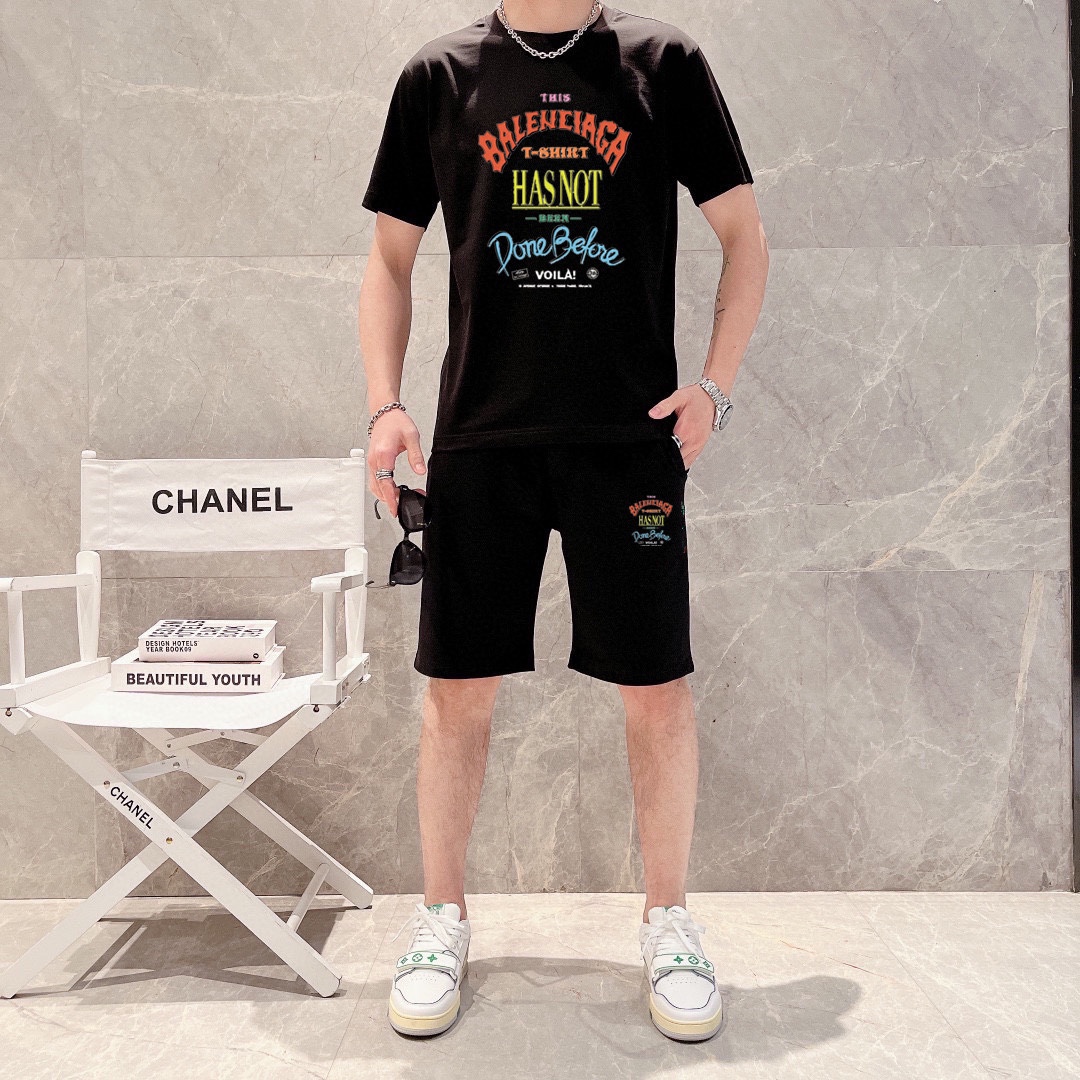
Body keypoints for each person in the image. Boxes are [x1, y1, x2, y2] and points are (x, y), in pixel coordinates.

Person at [358, 0, 768, 1042]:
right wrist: (385, 403)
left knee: (657, 689)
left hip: (628, 442)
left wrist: (714, 388)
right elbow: (390, 259)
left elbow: (744, 235)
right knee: (456, 692)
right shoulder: (440, 76)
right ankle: (440, 919)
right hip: (481, 438)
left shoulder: (662, 62)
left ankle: (669, 922)